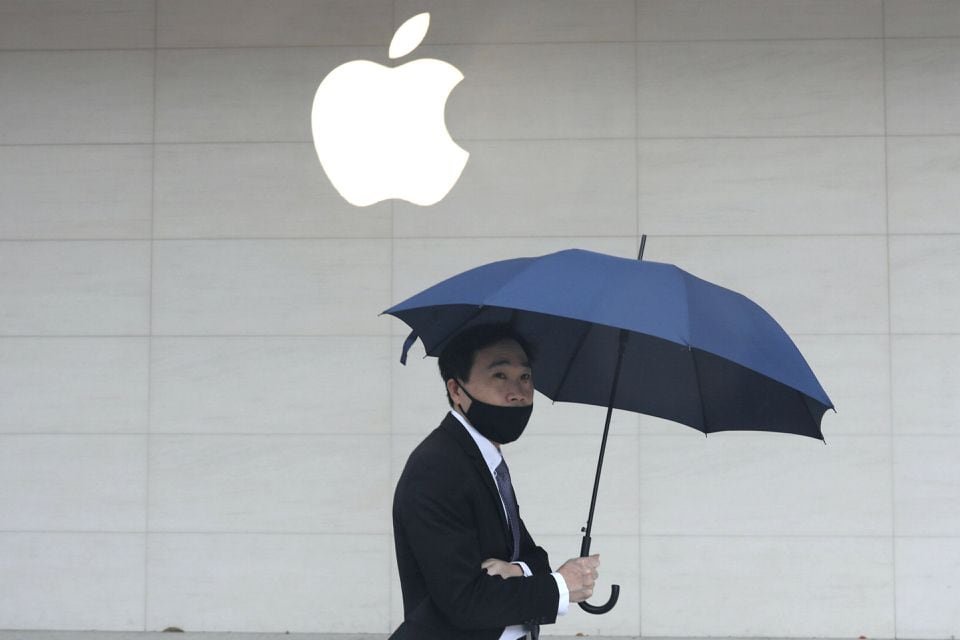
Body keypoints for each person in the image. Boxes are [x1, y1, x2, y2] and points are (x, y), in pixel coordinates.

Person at [391, 323, 601, 640]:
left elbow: (533, 557)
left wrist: (517, 571)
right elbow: (464, 602)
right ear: (456, 390)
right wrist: (560, 586)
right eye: (499, 375)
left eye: (525, 377)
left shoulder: (484, 460)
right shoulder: (438, 468)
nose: (518, 392)